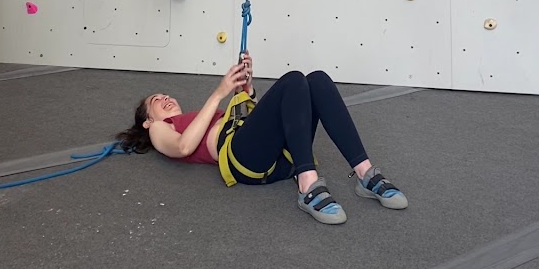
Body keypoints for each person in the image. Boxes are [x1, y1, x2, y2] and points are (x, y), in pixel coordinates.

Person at [118, 54, 408, 225]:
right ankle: (307, 185)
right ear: (147, 119)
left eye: (167, 95)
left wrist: (247, 88)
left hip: (276, 155)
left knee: (316, 80)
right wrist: (219, 93)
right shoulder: (159, 128)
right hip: (242, 161)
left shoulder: (201, 116)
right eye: (157, 100)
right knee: (293, 79)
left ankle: (364, 173)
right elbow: (183, 148)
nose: (166, 98)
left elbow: (256, 122)